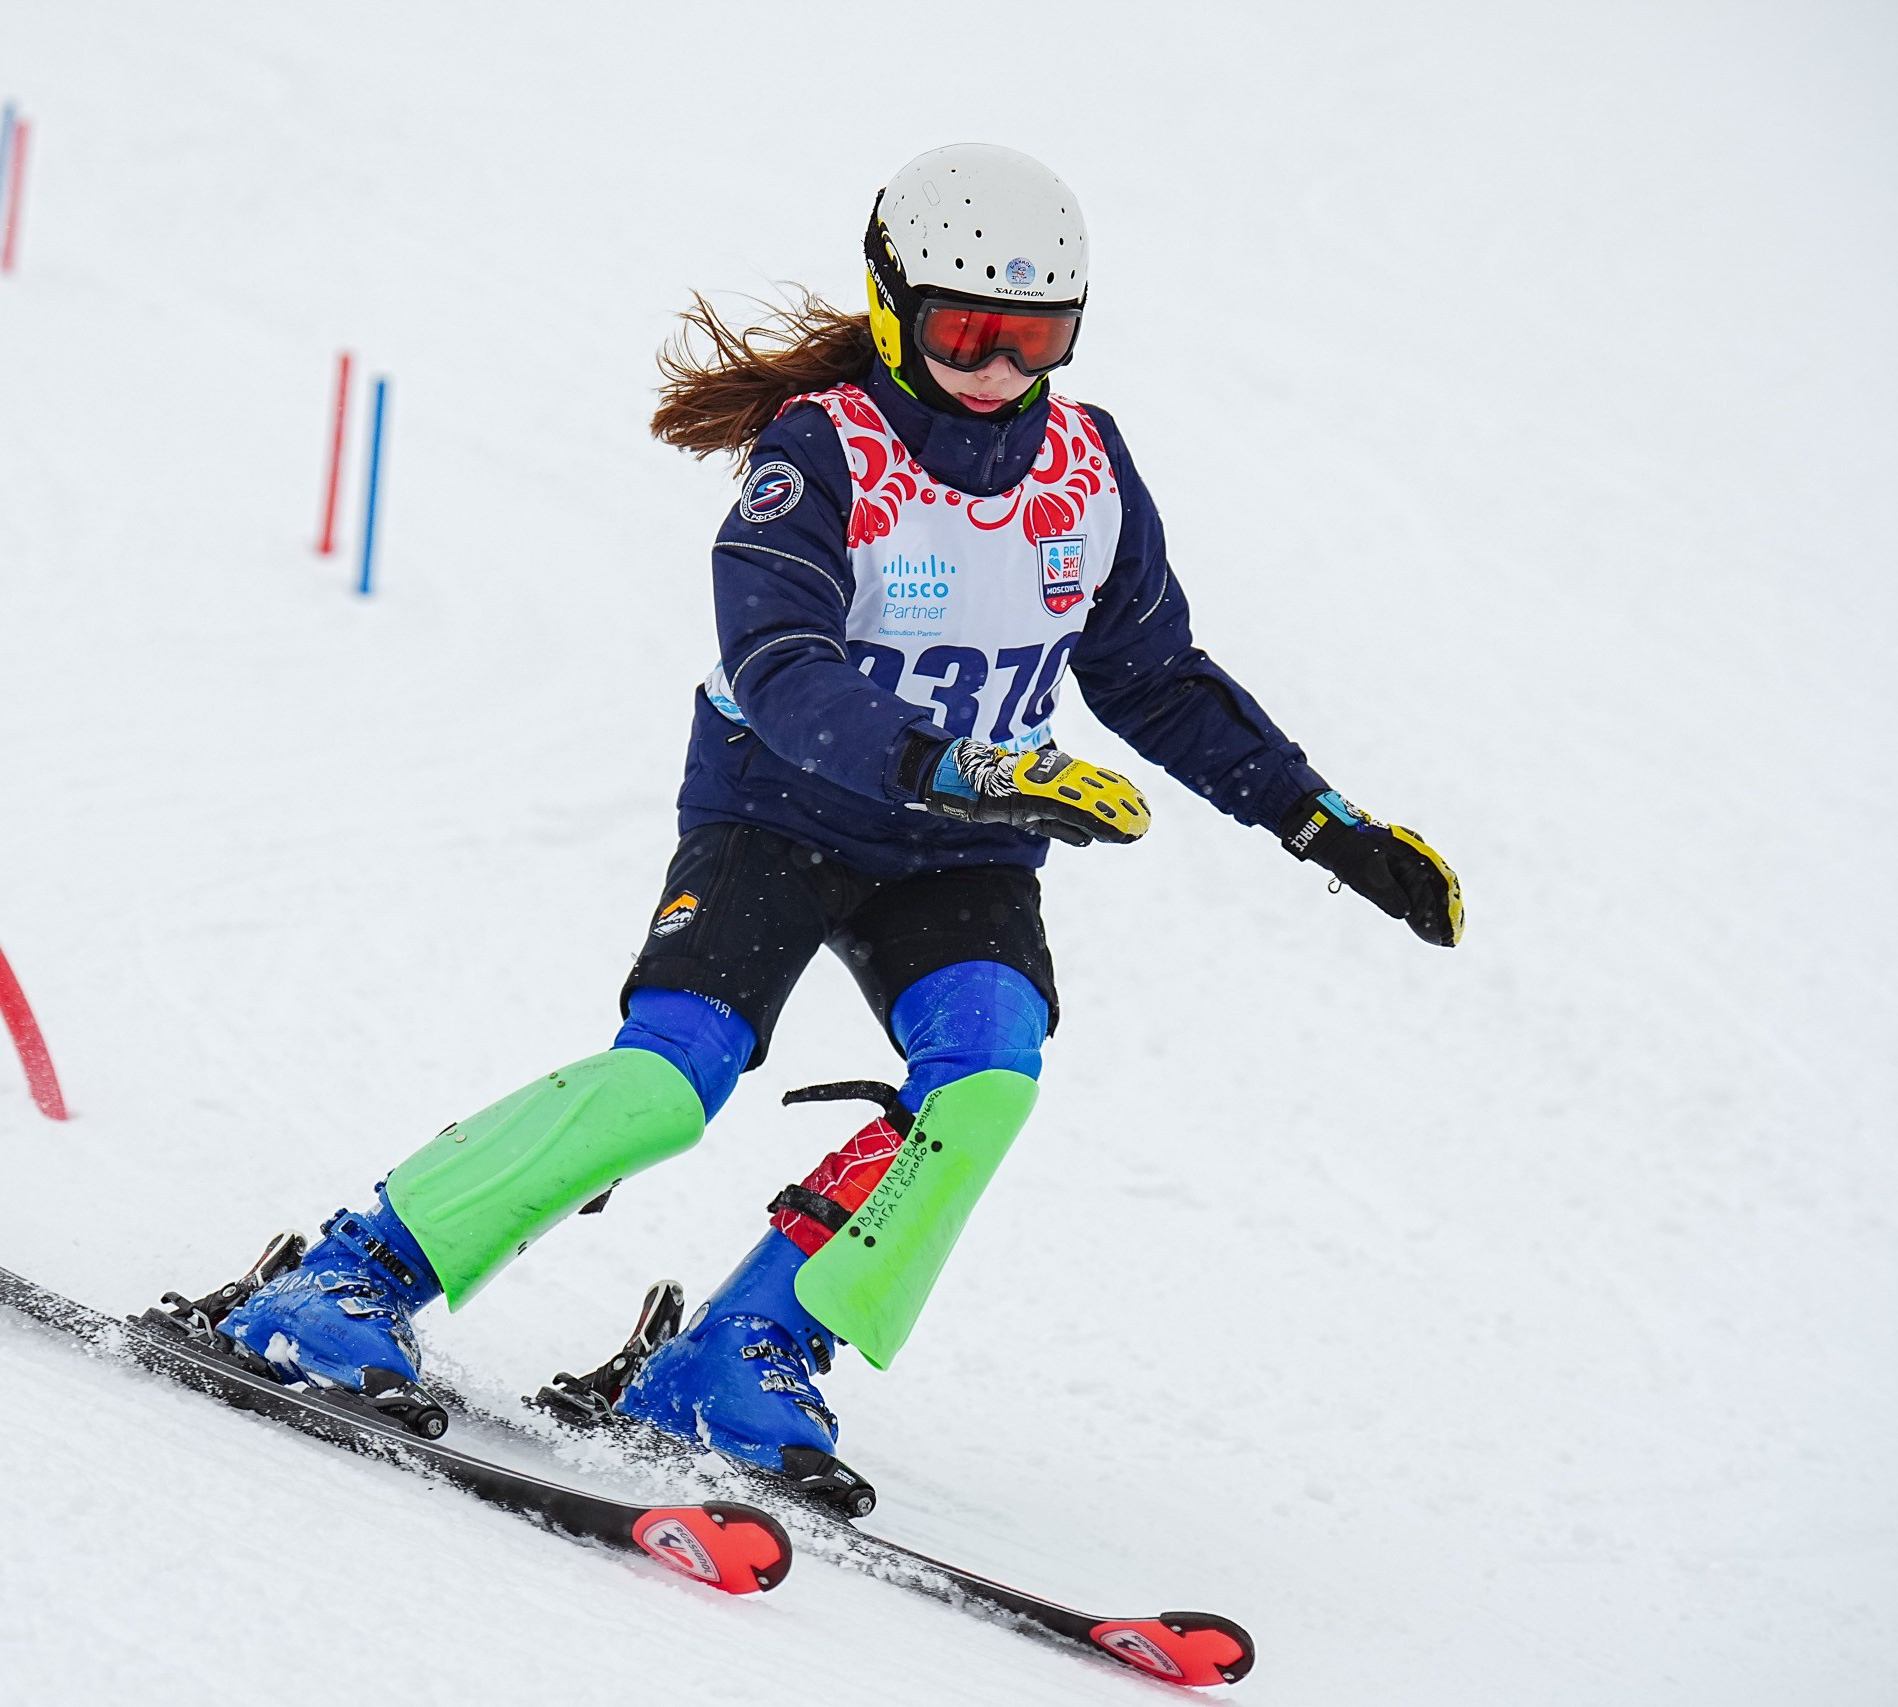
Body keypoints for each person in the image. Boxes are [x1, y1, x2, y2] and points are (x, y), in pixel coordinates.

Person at [195, 143, 1462, 1486]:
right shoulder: (825, 452)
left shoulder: (1086, 470)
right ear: (889, 302)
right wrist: (956, 765)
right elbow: (782, 669)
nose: (996, 369)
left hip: (962, 853)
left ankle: (747, 1349)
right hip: (781, 812)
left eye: (1036, 337)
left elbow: (1152, 675)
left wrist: (1321, 822)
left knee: (986, 1077)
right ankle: (352, 1272)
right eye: (964, 330)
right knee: (667, 1077)